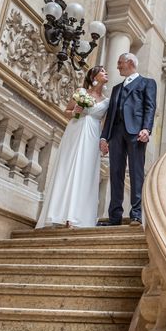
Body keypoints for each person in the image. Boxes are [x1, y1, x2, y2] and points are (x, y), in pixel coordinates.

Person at [36, 66, 110, 228]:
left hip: (93, 134)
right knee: (70, 167)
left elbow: (105, 124)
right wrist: (75, 111)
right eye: (103, 71)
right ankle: (62, 214)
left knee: (86, 171)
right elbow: (67, 111)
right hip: (76, 130)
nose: (106, 73)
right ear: (94, 76)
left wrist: (104, 140)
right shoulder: (81, 92)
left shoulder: (107, 100)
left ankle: (78, 216)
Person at [99, 53, 156, 226]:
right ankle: (114, 217)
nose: (117, 67)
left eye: (120, 63)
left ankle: (136, 215)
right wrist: (104, 137)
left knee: (136, 172)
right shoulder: (116, 88)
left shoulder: (147, 83)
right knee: (115, 173)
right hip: (116, 134)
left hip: (136, 133)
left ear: (130, 62)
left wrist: (146, 128)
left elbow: (150, 106)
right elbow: (110, 116)